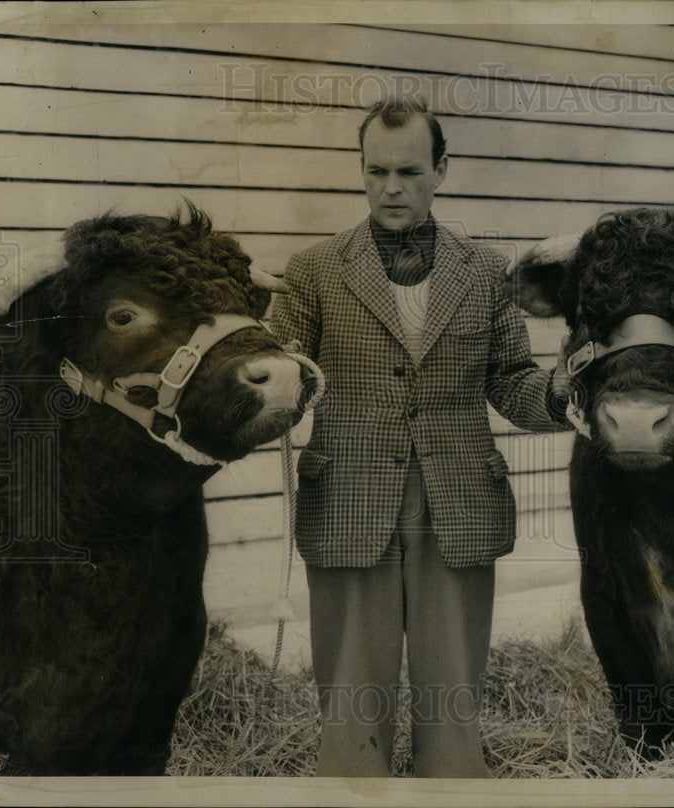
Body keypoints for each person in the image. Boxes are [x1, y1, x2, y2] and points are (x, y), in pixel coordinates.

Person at [269, 97, 570, 778]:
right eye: (375, 171)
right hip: (347, 500)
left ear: (441, 169)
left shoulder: (486, 271)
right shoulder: (313, 270)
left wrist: (560, 392)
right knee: (349, 700)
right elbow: (285, 375)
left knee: (453, 697)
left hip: (458, 507)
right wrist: (266, 384)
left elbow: (512, 380)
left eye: (408, 171)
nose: (391, 188)